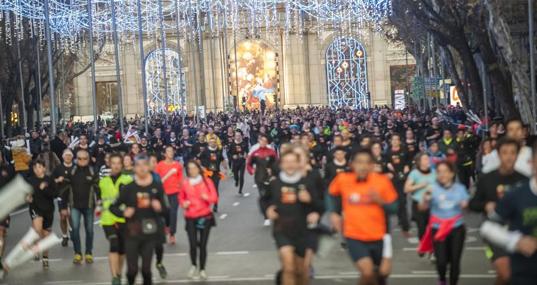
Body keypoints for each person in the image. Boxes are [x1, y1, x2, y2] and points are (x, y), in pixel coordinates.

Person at [329, 149, 398, 285]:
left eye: (367, 163)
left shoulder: (382, 181)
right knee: (367, 271)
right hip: (354, 236)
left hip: (380, 236)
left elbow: (394, 208)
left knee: (381, 275)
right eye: (359, 162)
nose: (363, 166)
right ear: (352, 165)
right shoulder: (343, 179)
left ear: (372, 165)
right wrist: (334, 213)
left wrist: (381, 202)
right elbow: (330, 194)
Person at [470, 138, 527, 285]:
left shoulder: (524, 180)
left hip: (518, 231)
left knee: (509, 276)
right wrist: (486, 205)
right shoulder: (487, 179)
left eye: (513, 152)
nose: (509, 156)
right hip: (494, 232)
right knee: (506, 272)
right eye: (505, 152)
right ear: (499, 154)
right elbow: (473, 204)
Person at [480, 142, 537, 285]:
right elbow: (487, 227)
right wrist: (515, 241)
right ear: (532, 163)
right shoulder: (516, 194)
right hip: (525, 272)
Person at [110, 154, 168, 285]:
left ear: (149, 167)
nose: (142, 168)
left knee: (146, 270)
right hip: (132, 233)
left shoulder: (157, 186)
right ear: (134, 168)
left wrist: (159, 208)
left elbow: (166, 210)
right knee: (132, 270)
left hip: (150, 232)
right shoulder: (129, 188)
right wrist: (123, 212)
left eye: (144, 165)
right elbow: (113, 207)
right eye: (138, 165)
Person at [266, 149, 320, 285]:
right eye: (286, 162)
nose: (290, 165)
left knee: (301, 270)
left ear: (298, 164)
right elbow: (264, 200)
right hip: (282, 229)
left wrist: (312, 205)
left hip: (303, 231)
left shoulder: (307, 182)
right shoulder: (275, 184)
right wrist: (268, 209)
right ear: (281, 164)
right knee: (288, 268)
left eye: (293, 162)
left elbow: (320, 203)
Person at [418, 161, 469, 285]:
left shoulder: (460, 188)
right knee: (441, 262)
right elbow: (421, 208)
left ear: (452, 174)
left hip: (456, 228)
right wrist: (425, 197)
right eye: (439, 172)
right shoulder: (432, 188)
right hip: (438, 229)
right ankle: (442, 279)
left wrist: (465, 204)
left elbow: (467, 206)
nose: (442, 174)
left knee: (455, 261)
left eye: (445, 171)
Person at [179, 160, 218, 280]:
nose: (192, 171)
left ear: (198, 169)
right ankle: (193, 265)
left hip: (205, 216)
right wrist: (183, 203)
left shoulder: (206, 181)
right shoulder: (185, 183)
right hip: (191, 217)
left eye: (194, 168)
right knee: (192, 243)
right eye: (189, 169)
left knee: (202, 245)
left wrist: (208, 197)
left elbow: (215, 198)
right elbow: (181, 197)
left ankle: (202, 269)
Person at [99, 153, 133, 285]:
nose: (116, 165)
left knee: (122, 249)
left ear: (122, 164)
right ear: (109, 164)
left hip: (123, 218)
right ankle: (114, 277)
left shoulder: (128, 180)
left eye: (119, 163)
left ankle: (118, 273)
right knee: (114, 244)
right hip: (108, 218)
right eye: (113, 163)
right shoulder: (102, 182)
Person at [68, 149, 99, 264]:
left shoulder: (92, 171)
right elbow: (65, 189)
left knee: (89, 230)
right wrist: (63, 207)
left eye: (84, 158)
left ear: (88, 159)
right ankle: (77, 253)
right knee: (75, 230)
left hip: (89, 205)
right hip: (74, 205)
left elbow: (97, 187)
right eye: (79, 158)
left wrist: (99, 201)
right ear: (76, 159)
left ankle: (88, 253)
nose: (82, 161)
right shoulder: (72, 171)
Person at [27, 159, 58, 269]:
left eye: (39, 167)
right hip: (35, 208)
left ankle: (45, 258)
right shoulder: (30, 180)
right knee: (37, 228)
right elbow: (26, 195)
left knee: (46, 236)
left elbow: (55, 194)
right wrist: (28, 198)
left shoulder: (49, 180)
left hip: (48, 210)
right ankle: (36, 249)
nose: (37, 169)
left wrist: (45, 189)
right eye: (35, 168)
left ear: (44, 168)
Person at [404, 153, 437, 242]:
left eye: (428, 158)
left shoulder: (434, 172)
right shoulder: (414, 173)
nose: (428, 160)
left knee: (433, 227)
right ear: (419, 162)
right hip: (418, 204)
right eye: (425, 159)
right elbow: (406, 189)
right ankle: (423, 245)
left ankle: (432, 248)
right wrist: (420, 185)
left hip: (432, 203)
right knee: (422, 227)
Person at [246, 134, 278, 226]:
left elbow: (276, 164)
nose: (263, 142)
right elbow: (249, 164)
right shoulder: (255, 152)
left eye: (265, 141)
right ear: (259, 141)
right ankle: (266, 217)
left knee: (271, 196)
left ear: (267, 142)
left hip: (270, 178)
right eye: (261, 140)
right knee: (263, 196)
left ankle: (273, 211)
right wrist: (252, 170)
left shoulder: (271, 152)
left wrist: (274, 172)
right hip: (260, 178)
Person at [155, 146, 183, 245]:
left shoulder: (178, 165)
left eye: (172, 151)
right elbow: (156, 180)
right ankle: (166, 226)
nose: (171, 153)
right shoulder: (160, 165)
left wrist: (182, 192)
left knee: (173, 213)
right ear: (165, 154)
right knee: (165, 213)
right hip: (163, 193)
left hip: (175, 192)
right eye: (168, 151)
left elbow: (181, 180)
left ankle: (172, 234)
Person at [52, 149, 75, 247]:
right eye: (66, 155)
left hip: (74, 195)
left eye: (69, 155)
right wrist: (57, 180)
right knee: (63, 216)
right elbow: (52, 181)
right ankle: (65, 236)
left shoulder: (76, 167)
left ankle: (72, 231)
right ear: (62, 157)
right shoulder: (58, 168)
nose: (68, 157)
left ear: (72, 157)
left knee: (71, 216)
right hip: (62, 194)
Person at [200, 138, 226, 212]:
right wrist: (202, 167)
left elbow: (222, 159)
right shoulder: (205, 151)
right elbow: (199, 159)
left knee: (215, 189)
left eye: (214, 142)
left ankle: (215, 205)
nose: (213, 143)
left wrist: (225, 169)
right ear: (209, 143)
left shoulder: (218, 150)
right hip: (207, 173)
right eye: (211, 142)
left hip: (216, 173)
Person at [228, 131, 249, 195]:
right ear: (234, 137)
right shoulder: (232, 144)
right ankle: (236, 180)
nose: (238, 137)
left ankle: (240, 190)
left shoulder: (244, 143)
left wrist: (246, 154)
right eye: (237, 136)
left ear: (241, 136)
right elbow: (229, 153)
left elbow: (247, 151)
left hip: (242, 162)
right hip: (235, 163)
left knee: (242, 176)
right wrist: (232, 156)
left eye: (239, 135)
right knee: (236, 176)